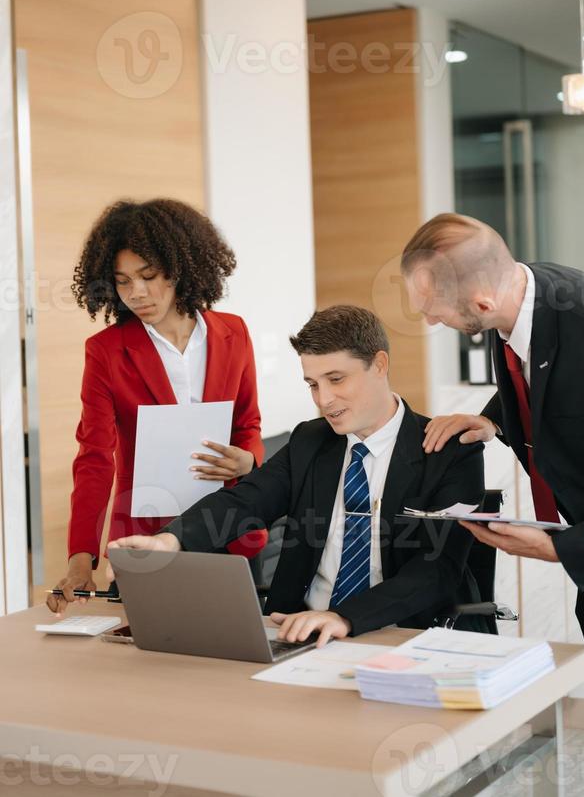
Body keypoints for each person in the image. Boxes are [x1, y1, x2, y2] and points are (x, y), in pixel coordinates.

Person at [401, 211, 584, 795]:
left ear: (483, 303)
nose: (426, 318)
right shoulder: (522, 293)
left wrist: (560, 546)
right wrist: (492, 418)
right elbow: (549, 380)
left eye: (432, 307)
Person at [109, 305, 487, 647]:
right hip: (297, 632)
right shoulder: (310, 440)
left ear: (380, 365)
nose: (324, 400)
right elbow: (246, 501)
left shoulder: (451, 451)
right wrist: (170, 541)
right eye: (312, 384)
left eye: (336, 379)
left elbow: (436, 569)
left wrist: (344, 617)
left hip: (400, 633)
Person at [47, 198, 266, 614]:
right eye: (123, 281)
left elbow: (248, 424)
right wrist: (81, 557)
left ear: (180, 267)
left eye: (148, 276)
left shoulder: (233, 333)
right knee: (149, 662)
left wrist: (248, 461)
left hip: (227, 525)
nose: (137, 294)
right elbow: (94, 457)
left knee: (231, 656)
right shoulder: (105, 352)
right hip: (145, 535)